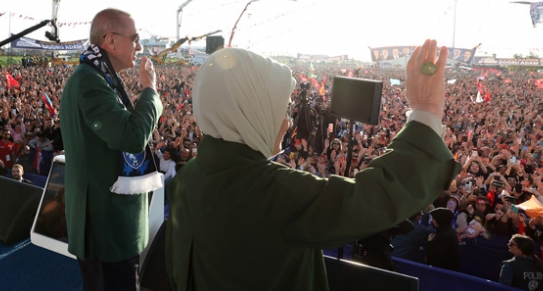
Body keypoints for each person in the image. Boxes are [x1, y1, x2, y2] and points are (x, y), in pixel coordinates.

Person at [166, 39, 460, 290]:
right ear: (248, 113)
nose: (288, 121)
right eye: (283, 109)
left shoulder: (187, 177)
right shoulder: (268, 190)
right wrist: (426, 112)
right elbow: (372, 198)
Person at [60, 8, 163, 291]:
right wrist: (150, 92)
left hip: (108, 219)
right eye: (135, 38)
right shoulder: (90, 82)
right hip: (105, 225)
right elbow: (131, 136)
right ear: (110, 40)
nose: (139, 47)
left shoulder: (97, 76)